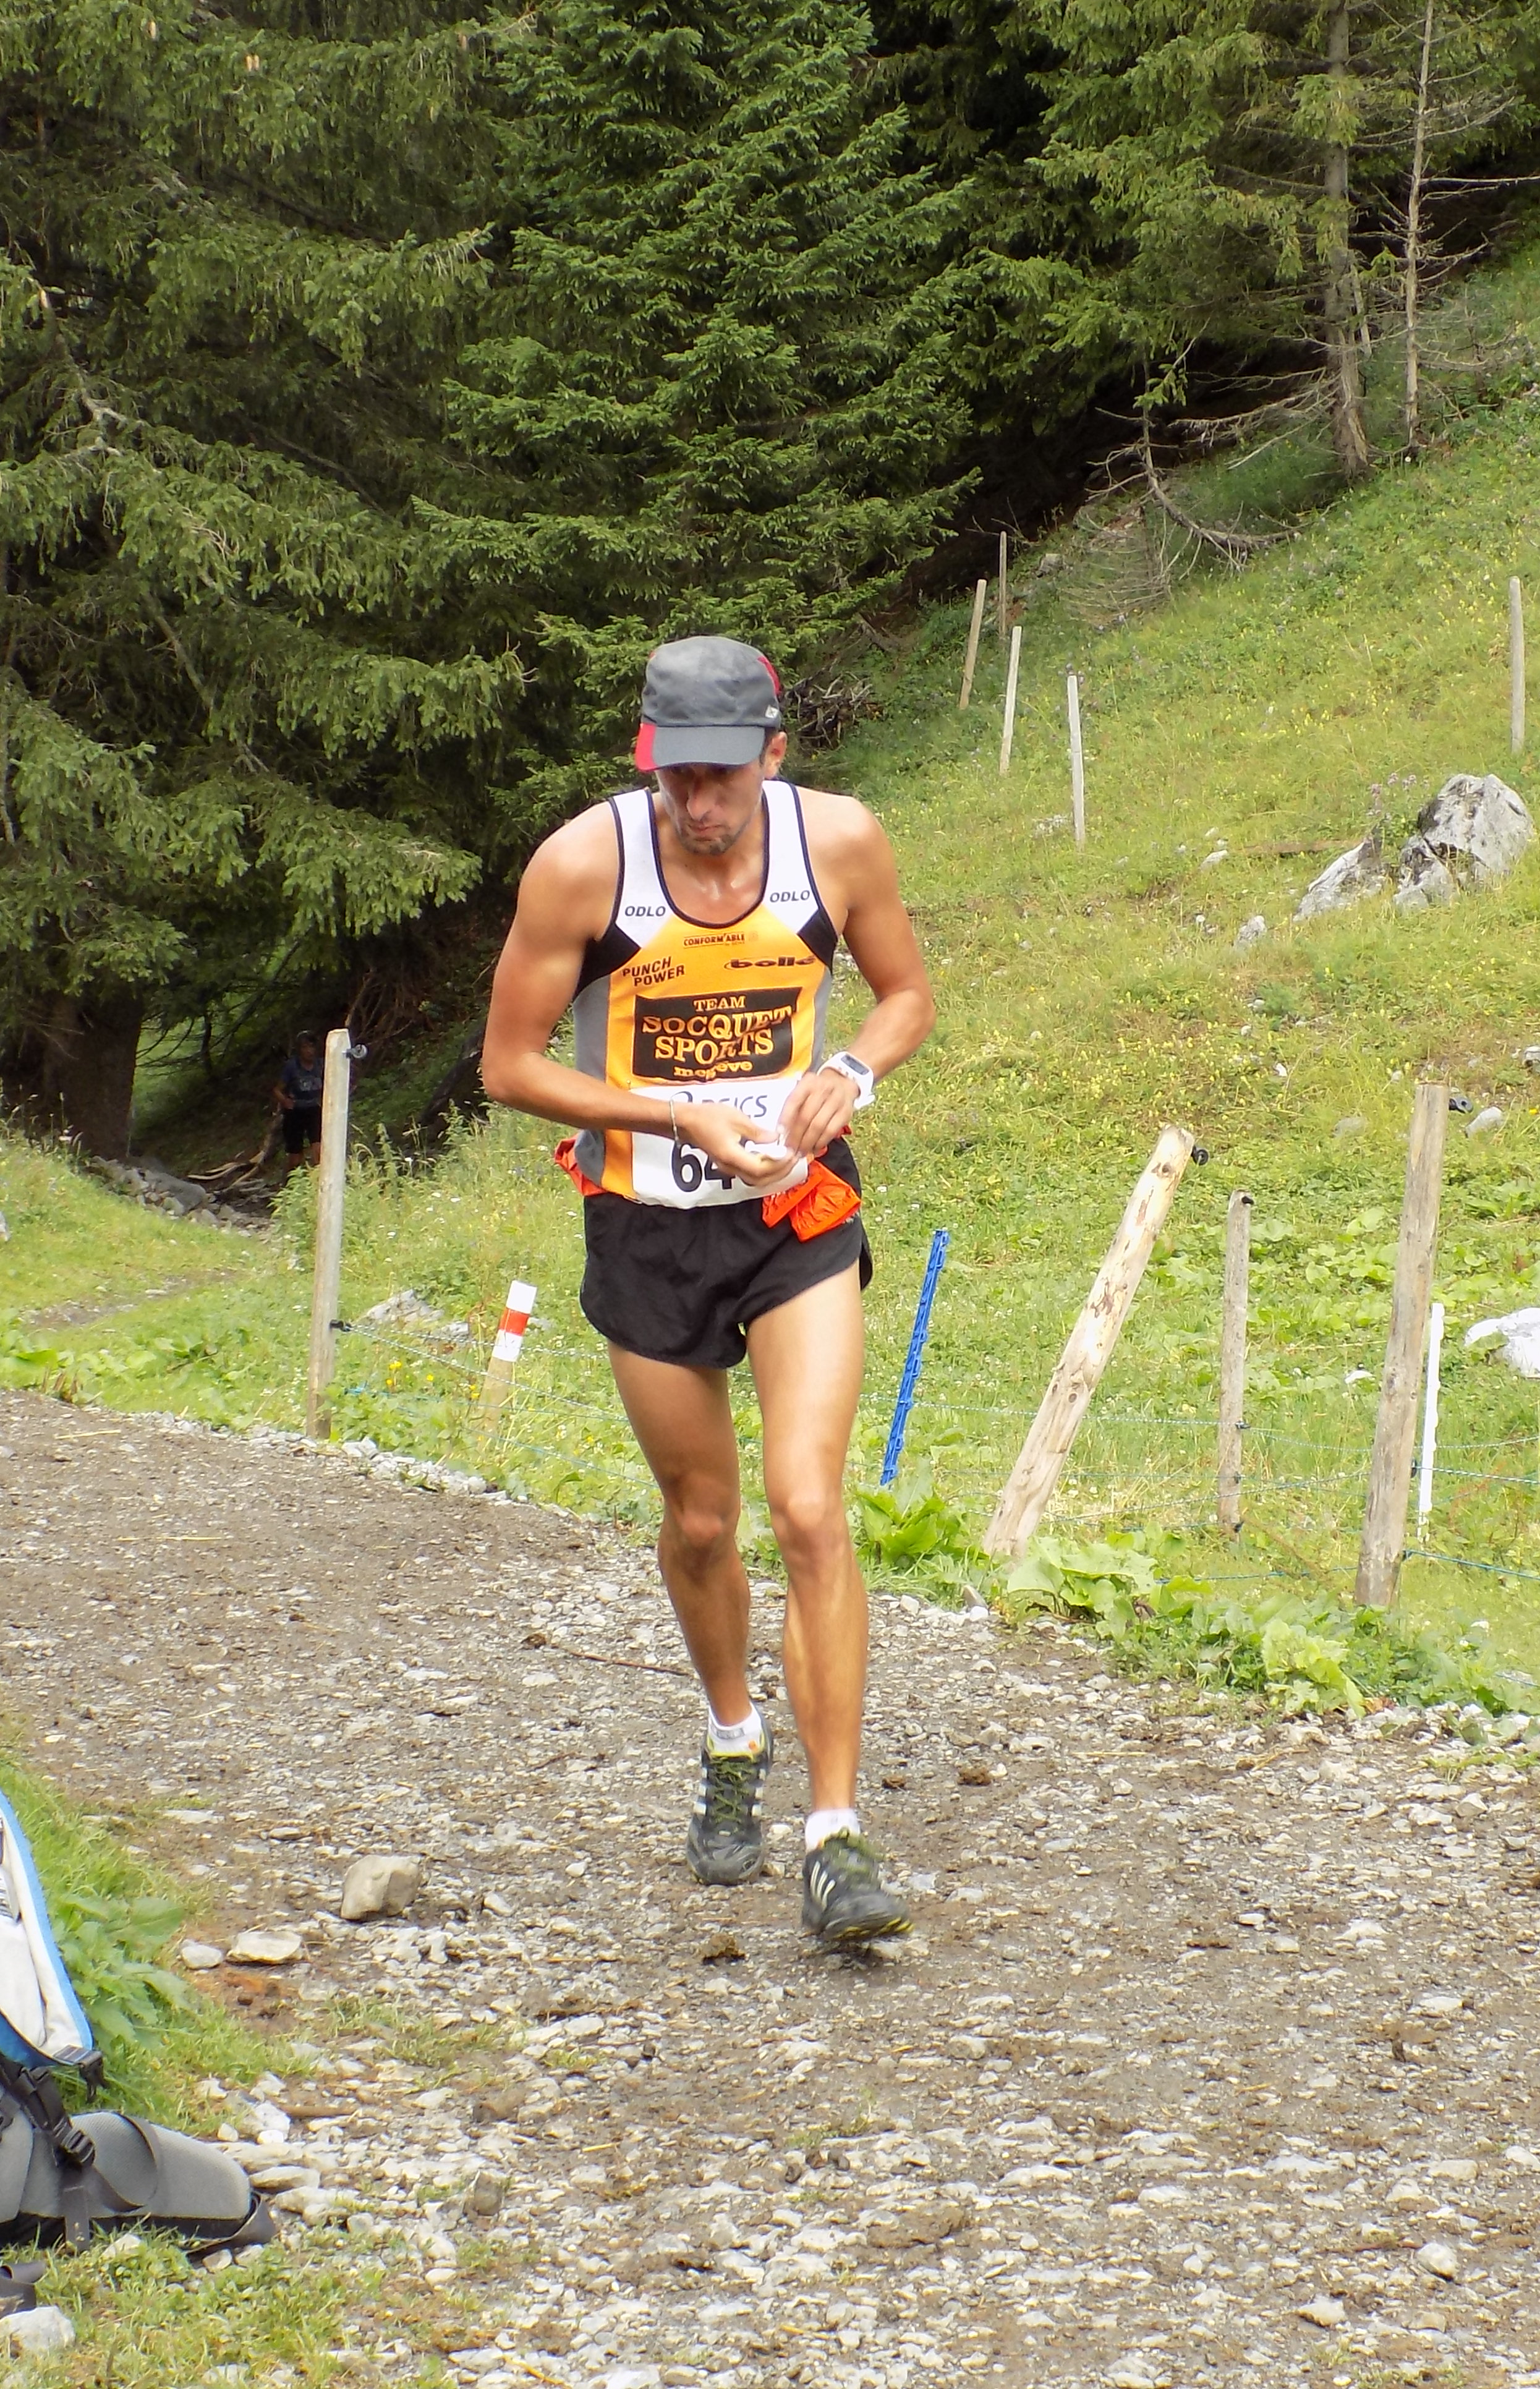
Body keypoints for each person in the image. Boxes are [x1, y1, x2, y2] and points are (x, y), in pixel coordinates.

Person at [480, 636, 935, 1946]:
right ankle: (733, 1737)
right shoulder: (584, 866)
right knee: (699, 1519)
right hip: (645, 1224)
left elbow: (905, 995)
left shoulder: (838, 844)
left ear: (772, 756)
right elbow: (508, 1065)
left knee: (808, 1508)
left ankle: (835, 1838)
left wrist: (848, 1070)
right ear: (647, 762)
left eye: (722, 777)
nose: (698, 803)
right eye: (674, 776)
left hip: (794, 1215)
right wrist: (673, 1114)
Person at [271, 1032, 327, 1177]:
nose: (309, 1051)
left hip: (314, 1110)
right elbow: (277, 1090)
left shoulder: (321, 1065)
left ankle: (320, 1181)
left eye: (312, 1047)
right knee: (295, 1157)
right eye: (305, 1047)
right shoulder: (292, 1067)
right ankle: (288, 1181)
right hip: (295, 1113)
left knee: (319, 1149)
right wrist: (285, 1101)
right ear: (299, 1050)